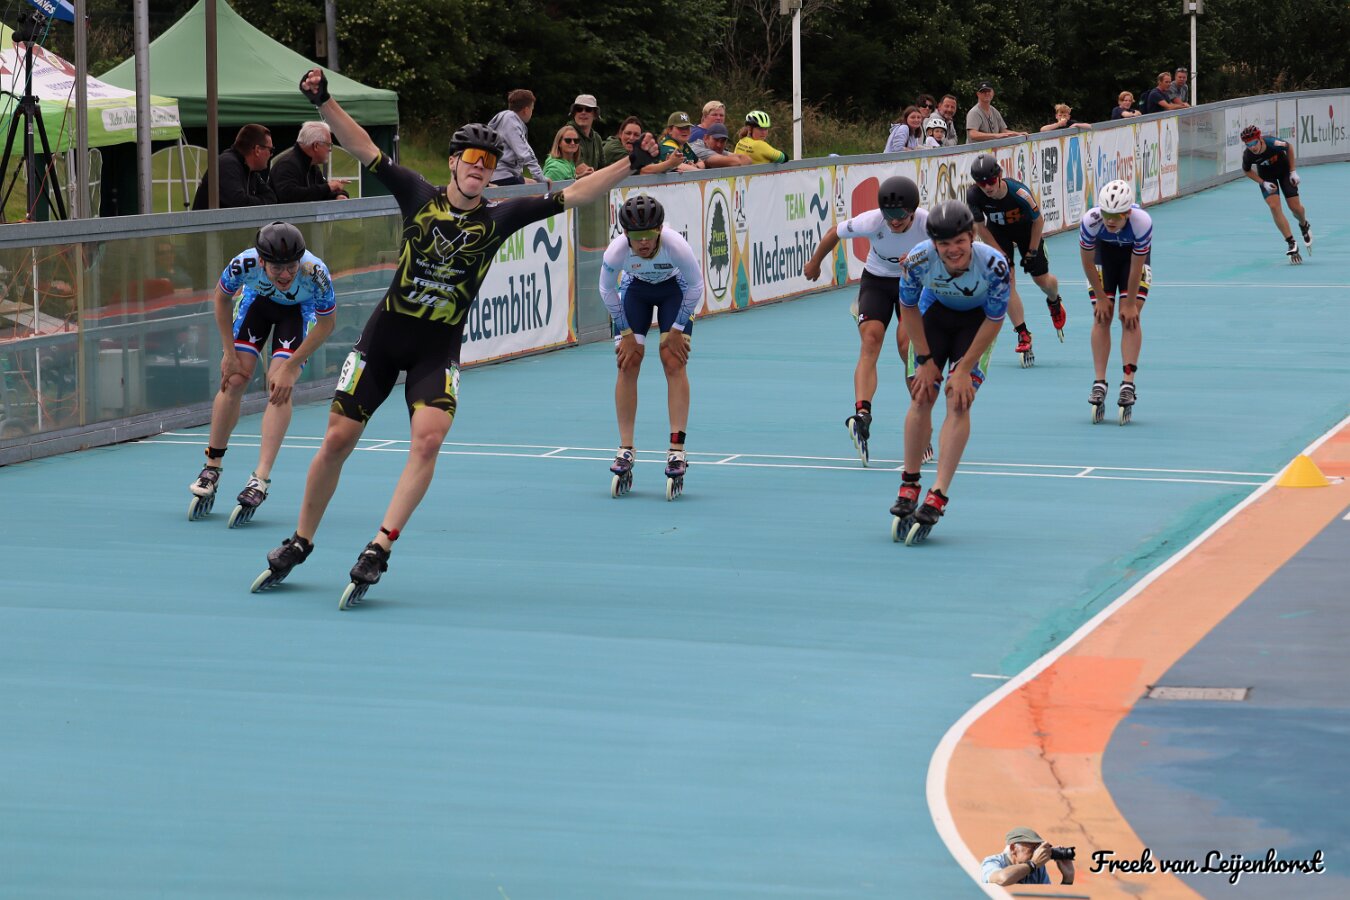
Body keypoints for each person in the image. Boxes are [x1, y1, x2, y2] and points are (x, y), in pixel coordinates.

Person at [255, 68, 660, 607]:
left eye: (488, 165)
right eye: (471, 161)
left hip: (436, 348)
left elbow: (576, 195)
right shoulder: (417, 194)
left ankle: (380, 546)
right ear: (453, 163)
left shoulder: (501, 216)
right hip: (383, 338)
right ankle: (302, 540)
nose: (479, 170)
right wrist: (324, 101)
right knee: (335, 440)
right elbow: (360, 146)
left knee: (428, 439)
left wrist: (630, 164)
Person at [188, 222, 336, 527]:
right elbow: (221, 298)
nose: (285, 275)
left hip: (299, 313)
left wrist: (292, 367)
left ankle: (260, 479)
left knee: (279, 385)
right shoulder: (245, 263)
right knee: (235, 379)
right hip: (258, 305)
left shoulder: (315, 272)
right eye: (277, 268)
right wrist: (229, 354)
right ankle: (211, 467)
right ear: (262, 261)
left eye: (291, 267)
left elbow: (326, 325)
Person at [890, 200, 1010, 545]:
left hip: (978, 322)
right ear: (934, 245)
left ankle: (939, 492)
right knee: (922, 393)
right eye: (945, 244)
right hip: (935, 315)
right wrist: (925, 360)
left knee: (959, 400)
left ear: (971, 237)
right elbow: (908, 308)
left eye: (959, 242)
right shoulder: (917, 259)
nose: (953, 250)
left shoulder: (994, 265)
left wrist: (964, 369)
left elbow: (995, 319)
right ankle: (910, 483)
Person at [802, 176, 928, 466]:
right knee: (870, 341)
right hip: (877, 281)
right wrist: (815, 262)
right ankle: (862, 413)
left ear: (913, 211)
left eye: (900, 216)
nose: (894, 222)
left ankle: (921, 419)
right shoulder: (873, 221)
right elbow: (835, 232)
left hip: (913, 283)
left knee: (906, 348)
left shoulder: (927, 223)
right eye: (889, 216)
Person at [599, 195, 703, 500]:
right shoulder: (617, 251)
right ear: (625, 235)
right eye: (635, 238)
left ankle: (677, 450)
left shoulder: (675, 245)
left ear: (659, 230)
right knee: (627, 362)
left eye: (648, 237)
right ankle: (625, 448)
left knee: (673, 360)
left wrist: (678, 328)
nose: (642, 244)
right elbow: (606, 289)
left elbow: (696, 286)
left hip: (675, 289)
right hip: (636, 291)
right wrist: (626, 332)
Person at [967, 154, 1067, 366]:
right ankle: (1022, 333)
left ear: (999, 176)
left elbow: (1038, 221)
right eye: (981, 183)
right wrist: (998, 252)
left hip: (1027, 232)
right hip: (999, 233)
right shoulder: (974, 195)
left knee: (1041, 280)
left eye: (991, 181)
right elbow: (980, 227)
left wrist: (1031, 251)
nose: (987, 187)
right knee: (1006, 281)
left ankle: (1054, 300)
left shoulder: (1019, 192)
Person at [1079, 179, 1153, 425]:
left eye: (1117, 216)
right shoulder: (1091, 220)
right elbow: (1088, 263)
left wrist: (1130, 303)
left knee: (1129, 317)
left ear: (1128, 213)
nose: (1110, 220)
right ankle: (1099, 382)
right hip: (1104, 256)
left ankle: (1128, 382)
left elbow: (1136, 267)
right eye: (1106, 214)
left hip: (1131, 260)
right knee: (1102, 316)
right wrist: (1101, 297)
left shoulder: (1141, 223)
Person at [1240, 124, 1312, 264]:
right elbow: (1247, 171)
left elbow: (1289, 147)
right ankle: (1291, 242)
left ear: (1260, 139)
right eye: (1248, 144)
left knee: (1295, 208)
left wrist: (1292, 170)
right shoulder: (1248, 155)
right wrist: (1262, 182)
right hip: (1267, 177)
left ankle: (1304, 224)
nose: (1252, 147)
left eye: (1254, 143)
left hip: (1284, 172)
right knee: (1273, 206)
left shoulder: (1273, 143)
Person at [191, 124, 277, 210]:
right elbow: (239, 204)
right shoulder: (227, 165)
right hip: (209, 222)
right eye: (271, 150)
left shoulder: (250, 170)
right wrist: (260, 200)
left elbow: (271, 198)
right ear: (257, 150)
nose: (271, 154)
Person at [270, 120, 350, 203]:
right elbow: (290, 195)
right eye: (328, 145)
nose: (330, 149)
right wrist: (329, 187)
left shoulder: (311, 166)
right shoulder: (287, 165)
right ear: (316, 146)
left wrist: (339, 195)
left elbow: (320, 192)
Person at [486, 88, 544, 185]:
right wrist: (540, 176)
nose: (531, 113)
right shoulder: (510, 120)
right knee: (538, 192)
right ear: (526, 110)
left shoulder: (507, 119)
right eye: (532, 109)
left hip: (501, 173)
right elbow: (525, 151)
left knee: (533, 184)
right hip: (501, 175)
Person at [982, 827, 1076, 886]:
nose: (1037, 852)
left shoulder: (1038, 869)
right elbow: (1003, 878)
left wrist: (1068, 878)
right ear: (1013, 848)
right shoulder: (992, 862)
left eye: (1038, 847)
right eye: (1033, 847)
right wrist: (1033, 864)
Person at [564, 94, 602, 177]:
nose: (583, 112)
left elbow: (602, 166)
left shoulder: (597, 138)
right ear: (574, 113)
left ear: (595, 114)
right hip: (569, 186)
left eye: (588, 109)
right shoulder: (567, 134)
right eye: (579, 109)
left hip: (591, 184)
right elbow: (579, 169)